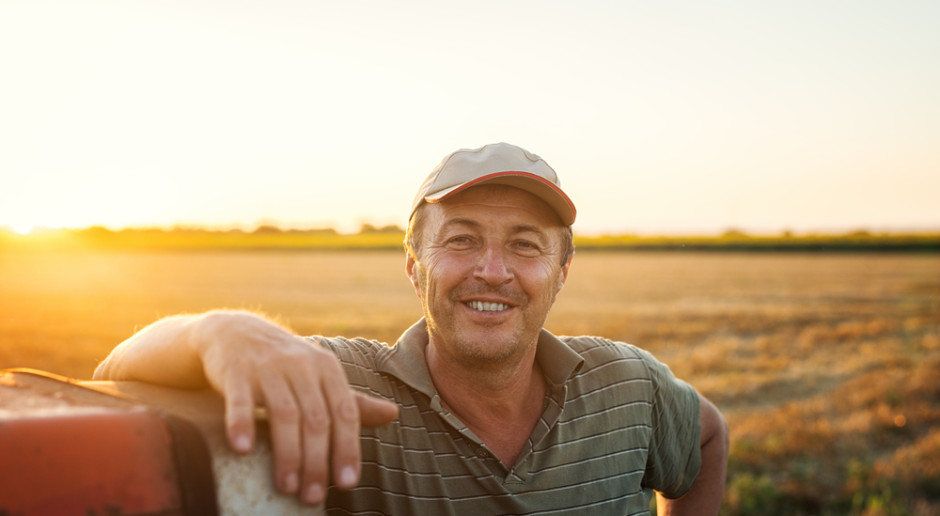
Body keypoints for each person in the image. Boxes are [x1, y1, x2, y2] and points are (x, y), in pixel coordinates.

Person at [94, 142, 729, 514]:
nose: (492, 270)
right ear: (413, 265)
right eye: (461, 239)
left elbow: (706, 439)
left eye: (525, 245)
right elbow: (113, 373)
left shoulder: (627, 384)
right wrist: (218, 333)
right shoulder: (338, 387)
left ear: (562, 270)